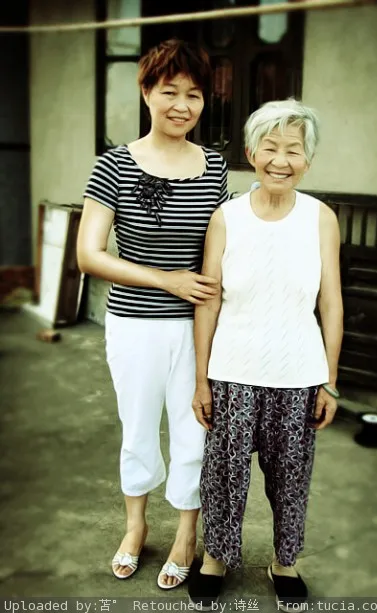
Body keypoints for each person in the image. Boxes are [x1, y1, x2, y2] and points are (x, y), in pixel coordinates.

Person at [77, 38, 228, 589]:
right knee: (138, 428)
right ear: (146, 92)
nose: (182, 105)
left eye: (194, 94)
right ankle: (135, 527)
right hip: (134, 325)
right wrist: (168, 280)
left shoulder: (214, 165)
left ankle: (187, 534)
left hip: (197, 328)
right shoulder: (114, 165)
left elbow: (217, 252)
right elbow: (89, 255)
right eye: (170, 92)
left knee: (194, 430)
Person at [188, 99, 343, 610]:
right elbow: (209, 301)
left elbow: (331, 302)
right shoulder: (226, 218)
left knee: (291, 478)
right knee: (224, 475)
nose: (281, 160)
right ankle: (216, 558)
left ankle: (285, 562)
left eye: (293, 150)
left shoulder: (320, 219)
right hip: (233, 371)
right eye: (270, 147)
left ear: (308, 160)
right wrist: (202, 379)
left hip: (298, 373)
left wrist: (330, 380)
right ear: (252, 153)